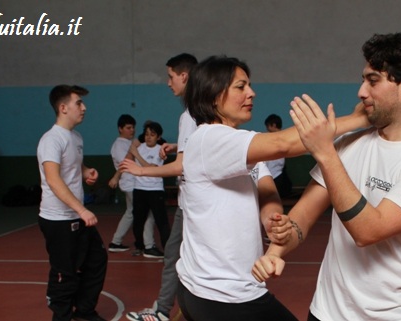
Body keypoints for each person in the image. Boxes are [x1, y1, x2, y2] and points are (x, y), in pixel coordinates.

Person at [124, 55, 366, 321]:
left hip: (215, 292)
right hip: (222, 296)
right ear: (214, 95)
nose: (251, 93)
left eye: (249, 85)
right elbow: (282, 144)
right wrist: (357, 119)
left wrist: (270, 218)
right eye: (241, 86)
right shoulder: (208, 139)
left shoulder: (238, 144)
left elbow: (265, 185)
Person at [253, 30, 401, 321]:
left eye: (373, 80)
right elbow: (302, 218)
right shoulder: (350, 145)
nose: (361, 92)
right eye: (363, 80)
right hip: (326, 312)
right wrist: (276, 249)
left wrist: (325, 151)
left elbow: (368, 230)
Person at [123, 52, 197, 321]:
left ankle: (163, 311)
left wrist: (140, 168)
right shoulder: (200, 111)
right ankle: (169, 310)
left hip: (192, 204)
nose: (168, 83)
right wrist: (179, 146)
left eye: (170, 76)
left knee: (174, 258)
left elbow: (181, 166)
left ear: (183, 76)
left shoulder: (190, 115)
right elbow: (202, 147)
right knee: (179, 257)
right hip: (194, 203)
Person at [37, 85, 108, 321]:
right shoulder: (51, 139)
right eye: (79, 103)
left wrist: (86, 171)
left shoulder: (75, 137)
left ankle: (85, 311)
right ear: (63, 107)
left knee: (96, 259)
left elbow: (72, 166)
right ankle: (62, 316)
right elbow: (53, 179)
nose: (84, 107)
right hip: (58, 219)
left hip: (75, 216)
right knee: (64, 272)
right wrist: (82, 209)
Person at [106, 114, 157, 255]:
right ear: (120, 129)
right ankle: (149, 246)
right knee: (146, 213)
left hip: (135, 183)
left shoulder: (130, 143)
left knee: (130, 213)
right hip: (131, 184)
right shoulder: (119, 145)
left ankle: (116, 242)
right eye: (128, 128)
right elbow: (126, 163)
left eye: (133, 127)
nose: (132, 130)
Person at [129, 122, 170, 257]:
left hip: (155, 190)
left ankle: (168, 250)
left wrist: (136, 154)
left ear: (158, 137)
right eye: (146, 134)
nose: (148, 137)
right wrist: (134, 150)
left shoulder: (161, 150)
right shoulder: (139, 147)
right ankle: (139, 246)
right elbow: (129, 159)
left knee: (161, 221)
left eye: (152, 135)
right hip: (139, 189)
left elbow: (149, 168)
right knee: (138, 220)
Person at [264, 114, 293, 198]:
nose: (267, 129)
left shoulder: (269, 139)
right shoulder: (286, 137)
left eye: (268, 126)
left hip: (274, 175)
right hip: (278, 174)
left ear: (273, 125)